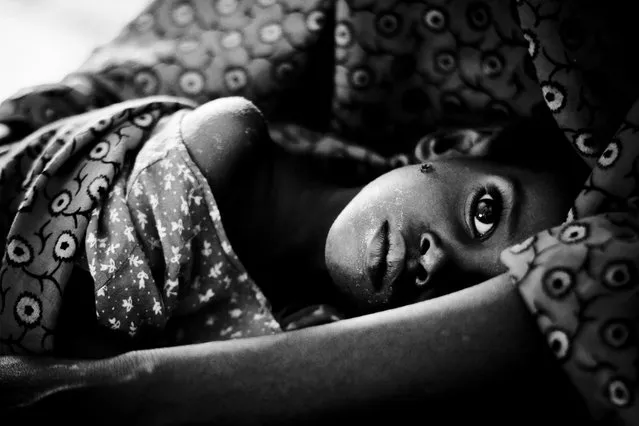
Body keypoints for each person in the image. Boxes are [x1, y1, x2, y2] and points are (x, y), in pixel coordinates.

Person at [0, 94, 585, 361]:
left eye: (466, 293)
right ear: (452, 147)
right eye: (483, 213)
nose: (435, 264)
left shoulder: (309, 347)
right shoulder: (227, 147)